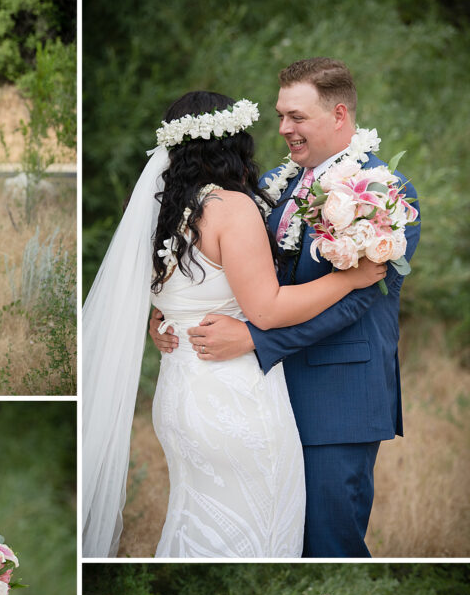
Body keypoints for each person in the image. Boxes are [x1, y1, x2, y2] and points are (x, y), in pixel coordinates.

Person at [82, 90, 386, 558]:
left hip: (179, 395)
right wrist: (350, 280)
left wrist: (162, 318)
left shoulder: (155, 207)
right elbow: (265, 310)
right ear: (233, 140)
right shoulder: (232, 206)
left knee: (194, 520)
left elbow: (161, 290)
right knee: (258, 530)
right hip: (235, 398)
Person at [152, 59, 421, 557]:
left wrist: (256, 338)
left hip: (335, 398)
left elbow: (356, 300)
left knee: (326, 544)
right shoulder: (274, 184)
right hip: (258, 395)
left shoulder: (386, 194)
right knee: (269, 535)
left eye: (296, 117)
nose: (283, 129)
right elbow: (220, 263)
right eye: (279, 115)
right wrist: (167, 314)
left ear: (339, 114)